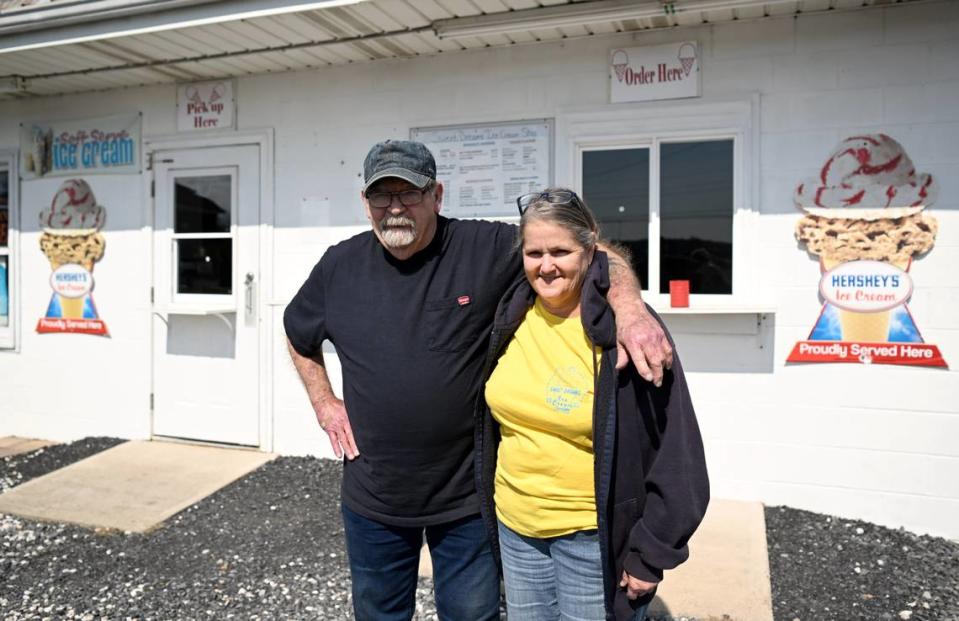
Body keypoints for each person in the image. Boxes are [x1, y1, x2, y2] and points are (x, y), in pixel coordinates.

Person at [283, 141, 673, 621]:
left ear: (437, 195)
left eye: (409, 193)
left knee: (471, 616)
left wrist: (631, 309)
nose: (395, 208)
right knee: (378, 615)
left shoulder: (483, 248)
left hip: (466, 500)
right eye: (381, 196)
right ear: (365, 203)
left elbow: (586, 254)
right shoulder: (338, 266)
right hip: (374, 498)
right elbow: (298, 332)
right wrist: (324, 402)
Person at [475, 189, 709, 621]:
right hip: (517, 528)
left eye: (561, 251)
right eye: (534, 252)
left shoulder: (630, 330)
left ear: (590, 248)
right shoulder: (510, 313)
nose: (546, 266)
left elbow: (676, 450)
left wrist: (652, 552)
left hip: (592, 539)